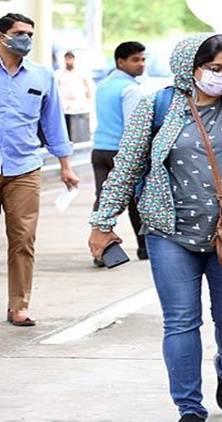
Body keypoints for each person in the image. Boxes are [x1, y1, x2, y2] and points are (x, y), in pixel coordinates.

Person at [87, 34, 222, 421]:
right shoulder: (159, 105)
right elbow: (129, 166)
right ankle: (189, 408)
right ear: (191, 66)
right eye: (214, 68)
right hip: (170, 233)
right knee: (181, 321)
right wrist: (103, 222)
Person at [0, 13, 79, 327]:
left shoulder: (43, 76)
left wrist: (66, 166)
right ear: (2, 36)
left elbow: (53, 123)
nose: (27, 40)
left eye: (30, 35)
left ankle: (19, 305)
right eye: (20, 33)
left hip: (24, 169)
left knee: (23, 240)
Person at [91, 41, 147, 263]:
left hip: (99, 149)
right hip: (121, 152)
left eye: (143, 59)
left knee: (103, 200)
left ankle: (100, 249)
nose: (141, 64)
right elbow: (134, 127)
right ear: (120, 62)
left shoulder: (103, 85)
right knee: (136, 200)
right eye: (135, 60)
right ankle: (145, 248)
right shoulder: (130, 89)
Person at [55, 50, 93, 142]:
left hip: (78, 105)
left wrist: (88, 99)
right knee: (66, 128)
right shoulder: (59, 73)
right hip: (65, 106)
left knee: (79, 129)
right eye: (67, 58)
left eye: (71, 58)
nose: (69, 61)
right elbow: (56, 88)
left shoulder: (81, 72)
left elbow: (88, 87)